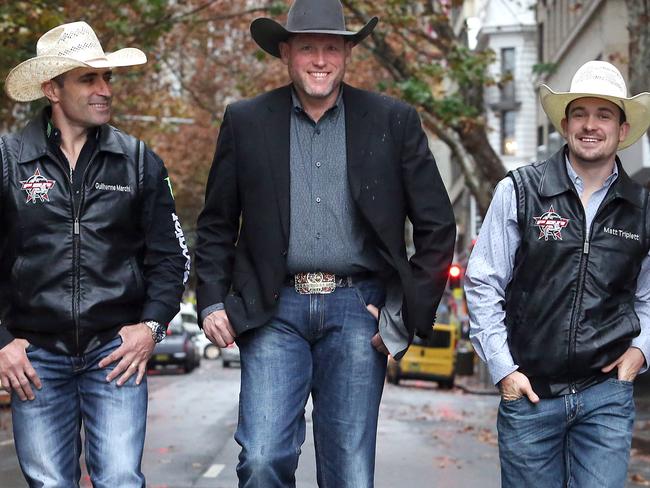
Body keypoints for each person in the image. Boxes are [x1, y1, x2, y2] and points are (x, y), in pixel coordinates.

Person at [194, 0, 455, 485]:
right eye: (308, 48)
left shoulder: (392, 121)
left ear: (347, 53)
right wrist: (211, 302)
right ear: (286, 53)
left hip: (359, 311)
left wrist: (403, 314)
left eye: (331, 48)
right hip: (272, 311)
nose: (320, 60)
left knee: (350, 476)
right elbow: (215, 224)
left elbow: (437, 226)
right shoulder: (246, 122)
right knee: (263, 458)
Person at [0, 21, 189, 487]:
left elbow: (172, 258)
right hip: (35, 360)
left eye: (107, 78)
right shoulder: (7, 159)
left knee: (122, 478)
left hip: (115, 356)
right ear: (53, 89)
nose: (105, 89)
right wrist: (2, 339)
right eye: (89, 78)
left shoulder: (140, 160)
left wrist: (151, 327)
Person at [465, 60, 650, 488]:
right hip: (530, 394)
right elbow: (483, 283)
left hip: (605, 396)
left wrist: (639, 353)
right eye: (580, 114)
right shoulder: (519, 191)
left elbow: (646, 295)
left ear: (622, 130)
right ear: (565, 124)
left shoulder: (642, 210)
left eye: (604, 114)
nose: (591, 125)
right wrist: (504, 371)